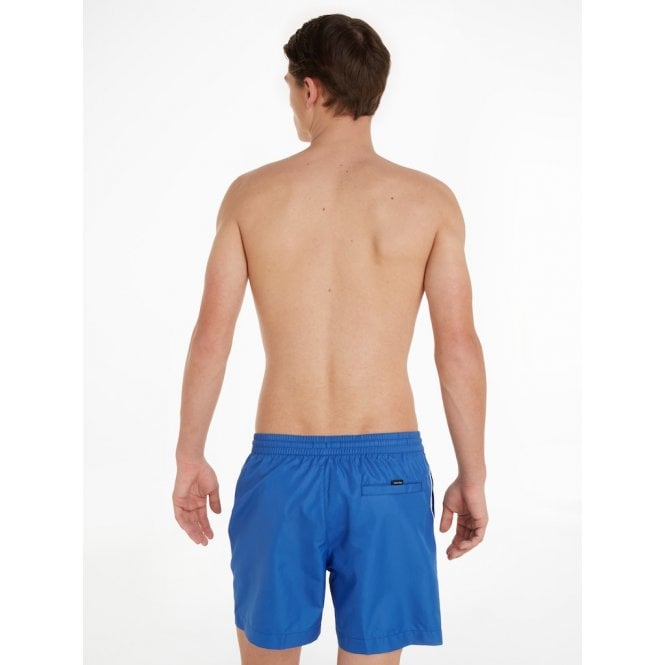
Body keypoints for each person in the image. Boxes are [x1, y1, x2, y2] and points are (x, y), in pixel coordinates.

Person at [172, 12, 488, 665]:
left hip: (280, 470)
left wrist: (189, 455)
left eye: (290, 88)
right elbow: (456, 346)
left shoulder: (251, 196)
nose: (292, 101)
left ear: (310, 89)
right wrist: (473, 474)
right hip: (389, 471)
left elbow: (211, 338)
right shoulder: (429, 201)